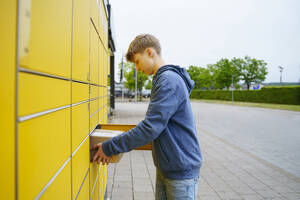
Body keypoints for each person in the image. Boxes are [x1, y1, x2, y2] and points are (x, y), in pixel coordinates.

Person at [92, 34, 202, 200]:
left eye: (137, 61)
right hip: (169, 167)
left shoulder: (168, 80)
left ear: (150, 52)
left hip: (180, 171)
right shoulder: (163, 79)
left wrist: (110, 147)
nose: (137, 68)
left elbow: (150, 128)